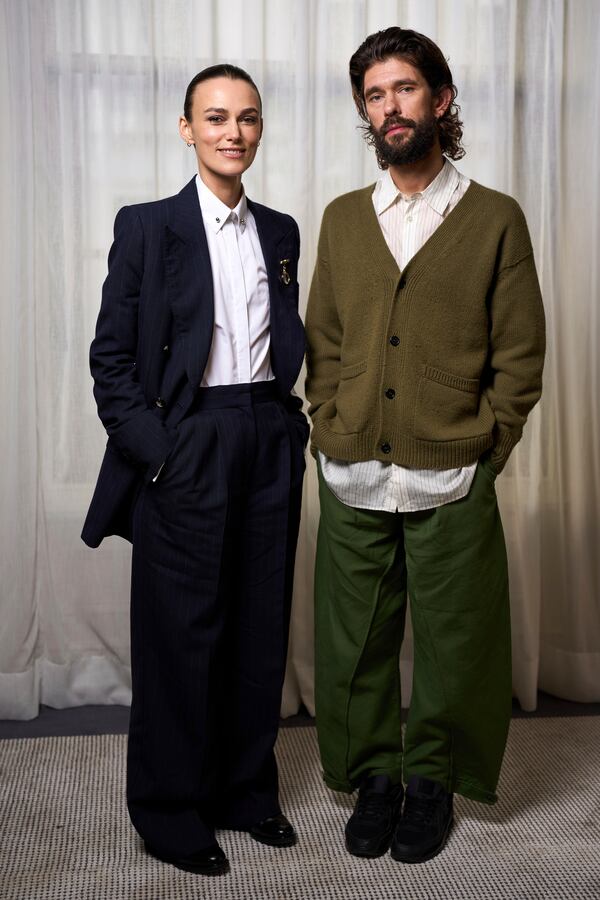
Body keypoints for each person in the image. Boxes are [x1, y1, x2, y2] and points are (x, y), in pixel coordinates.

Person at [305, 27, 545, 864]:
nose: (389, 107)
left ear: (440, 100)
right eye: (374, 95)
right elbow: (324, 341)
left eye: (404, 89)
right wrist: (327, 422)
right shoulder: (343, 219)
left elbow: (519, 356)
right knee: (353, 640)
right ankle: (374, 779)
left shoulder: (494, 219)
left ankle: (433, 784)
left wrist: (489, 449)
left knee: (458, 641)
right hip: (353, 466)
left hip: (453, 472)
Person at [82, 64, 308, 877]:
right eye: (215, 118)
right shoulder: (146, 227)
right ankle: (172, 811)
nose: (233, 132)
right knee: (181, 636)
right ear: (187, 129)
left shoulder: (280, 230)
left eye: (247, 118)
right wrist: (164, 451)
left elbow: (283, 334)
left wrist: (288, 425)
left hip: (266, 432)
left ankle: (246, 791)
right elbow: (111, 360)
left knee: (258, 627)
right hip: (191, 438)